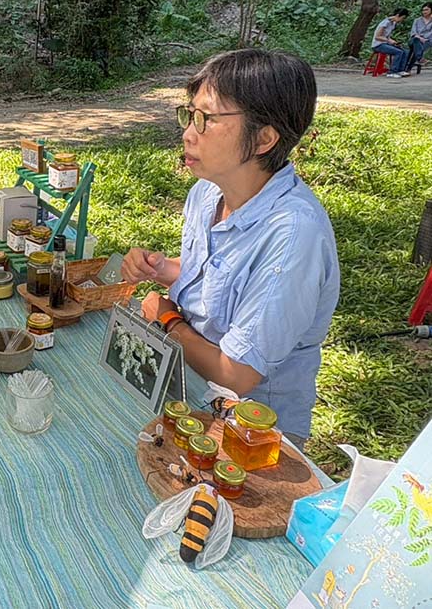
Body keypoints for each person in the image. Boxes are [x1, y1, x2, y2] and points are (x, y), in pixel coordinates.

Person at [121, 49, 340, 446]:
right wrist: (162, 269)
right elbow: (214, 277)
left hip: (252, 431)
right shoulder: (208, 192)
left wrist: (167, 320)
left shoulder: (293, 236)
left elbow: (236, 374)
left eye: (206, 120)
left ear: (264, 138)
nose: (188, 134)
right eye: (189, 115)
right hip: (191, 386)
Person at [371, 8, 411, 78]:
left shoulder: (393, 23)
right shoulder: (385, 23)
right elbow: (378, 37)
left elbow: (387, 36)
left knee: (405, 51)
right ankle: (392, 72)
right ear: (397, 15)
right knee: (398, 52)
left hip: (385, 43)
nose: (402, 20)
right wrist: (388, 41)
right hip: (378, 45)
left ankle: (400, 70)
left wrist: (393, 42)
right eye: (402, 18)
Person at [406, 2, 432, 74]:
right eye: (423, 10)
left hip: (427, 41)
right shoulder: (417, 20)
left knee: (417, 49)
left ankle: (408, 69)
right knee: (416, 41)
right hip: (415, 39)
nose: (424, 12)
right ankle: (420, 58)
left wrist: (425, 39)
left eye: (426, 10)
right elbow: (413, 33)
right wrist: (420, 38)